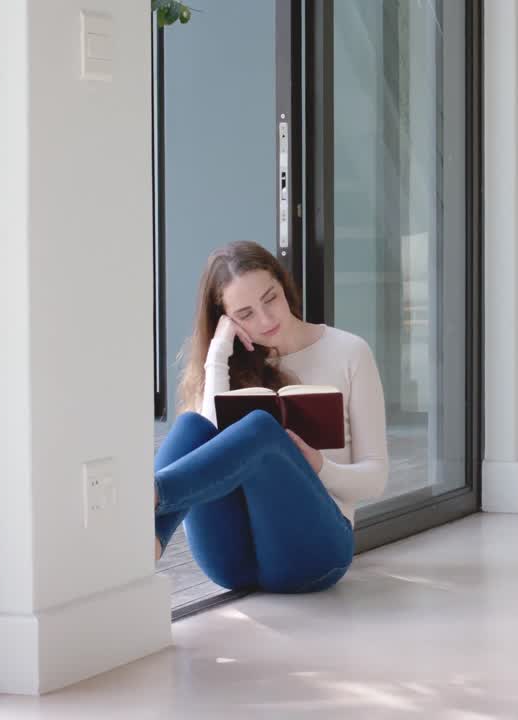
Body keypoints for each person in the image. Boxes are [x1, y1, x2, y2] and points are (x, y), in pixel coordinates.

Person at [154, 241, 389, 593]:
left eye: (270, 299)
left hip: (315, 555)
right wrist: (218, 356)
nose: (265, 320)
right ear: (225, 319)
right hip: (232, 562)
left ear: (284, 285)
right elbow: (204, 444)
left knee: (262, 428)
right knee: (193, 425)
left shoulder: (349, 352)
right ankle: (149, 539)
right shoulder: (227, 361)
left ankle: (150, 498)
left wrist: (319, 466)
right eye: (245, 314)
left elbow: (375, 478)